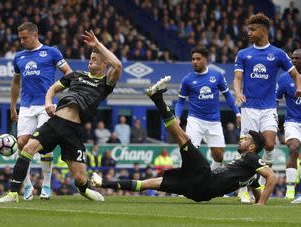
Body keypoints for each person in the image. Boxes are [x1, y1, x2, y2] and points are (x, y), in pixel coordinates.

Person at [92, 76, 277, 205]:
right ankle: (102, 183)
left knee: (183, 138)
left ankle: (158, 99)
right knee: (148, 183)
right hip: (198, 191)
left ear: (252, 147)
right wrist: (259, 199)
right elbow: (257, 187)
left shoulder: (251, 159)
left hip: (205, 179)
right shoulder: (250, 173)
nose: (240, 140)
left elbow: (272, 177)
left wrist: (260, 204)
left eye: (245, 139)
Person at [0, 30, 122, 203]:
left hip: (74, 130)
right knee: (27, 149)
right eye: (90, 58)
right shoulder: (76, 75)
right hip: (55, 123)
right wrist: (48, 102)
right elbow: (53, 89)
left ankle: (84, 190)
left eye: (95, 59)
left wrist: (98, 44)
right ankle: (13, 193)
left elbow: (118, 65)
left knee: (79, 178)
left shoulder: (105, 83)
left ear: (105, 64)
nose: (90, 61)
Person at [233, 13, 301, 202]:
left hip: (268, 107)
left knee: (269, 144)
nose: (249, 33)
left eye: (253, 29)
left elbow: (295, 74)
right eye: (249, 29)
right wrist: (238, 92)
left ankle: (263, 179)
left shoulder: (278, 54)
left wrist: (299, 87)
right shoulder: (243, 54)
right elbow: (237, 78)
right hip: (248, 108)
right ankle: (243, 189)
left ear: (264, 31)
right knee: (247, 150)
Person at [10, 22, 73, 200]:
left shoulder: (52, 52)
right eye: (20, 38)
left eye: (25, 38)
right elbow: (15, 82)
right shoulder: (19, 57)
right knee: (22, 143)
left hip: (46, 105)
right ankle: (28, 186)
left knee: (44, 144)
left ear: (35, 35)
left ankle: (46, 184)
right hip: (26, 106)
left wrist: (54, 92)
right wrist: (12, 105)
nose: (21, 41)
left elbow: (69, 73)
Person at [176, 47, 240, 171]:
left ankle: (209, 179)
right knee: (189, 153)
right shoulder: (187, 80)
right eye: (193, 59)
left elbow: (228, 95)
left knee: (219, 156)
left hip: (214, 121)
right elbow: (180, 101)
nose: (195, 62)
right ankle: (182, 185)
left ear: (206, 59)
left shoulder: (217, 76)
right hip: (195, 120)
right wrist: (177, 117)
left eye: (198, 59)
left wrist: (237, 113)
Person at [276, 49, 301, 200]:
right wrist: (274, 118)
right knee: (294, 148)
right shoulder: (284, 78)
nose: (294, 60)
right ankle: (290, 189)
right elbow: (276, 100)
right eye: (292, 58)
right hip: (292, 121)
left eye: (297, 58)